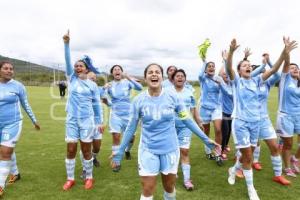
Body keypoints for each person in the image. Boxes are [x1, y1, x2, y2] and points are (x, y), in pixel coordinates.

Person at [111, 63, 219, 200]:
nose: (154, 74)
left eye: (157, 72)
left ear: (162, 78)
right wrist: (120, 151)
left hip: (170, 150)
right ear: (145, 78)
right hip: (148, 150)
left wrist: (206, 140)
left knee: (169, 188)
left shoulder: (173, 97)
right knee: (147, 189)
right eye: (150, 72)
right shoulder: (138, 101)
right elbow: (131, 128)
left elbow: (187, 120)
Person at [226, 38, 296, 200]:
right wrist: (231, 52)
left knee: (246, 156)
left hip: (256, 123)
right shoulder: (237, 82)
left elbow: (274, 71)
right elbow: (229, 68)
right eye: (244, 65)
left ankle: (233, 169)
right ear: (239, 70)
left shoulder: (257, 80)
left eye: (249, 65)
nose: (248, 66)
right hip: (241, 123)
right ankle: (251, 189)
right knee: (249, 156)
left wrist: (284, 53)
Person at [62, 30, 104, 190]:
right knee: (71, 149)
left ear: (86, 69)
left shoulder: (93, 85)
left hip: (87, 121)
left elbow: (96, 105)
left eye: (81, 66)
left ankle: (89, 177)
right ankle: (70, 179)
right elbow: (67, 61)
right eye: (76, 66)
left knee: (87, 150)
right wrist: (66, 44)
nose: (78, 67)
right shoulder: (71, 78)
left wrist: (99, 121)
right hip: (72, 120)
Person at [0, 61, 40, 196]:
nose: (9, 71)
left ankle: (0, 185)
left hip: (13, 123)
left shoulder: (18, 86)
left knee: (5, 152)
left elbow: (25, 104)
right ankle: (15, 173)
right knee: (7, 149)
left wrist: (34, 120)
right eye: (5, 68)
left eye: (11, 69)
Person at [170, 69, 204, 190]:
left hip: (186, 126)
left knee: (184, 151)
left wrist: (198, 121)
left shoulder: (189, 92)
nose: (180, 78)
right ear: (173, 79)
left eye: (182, 76)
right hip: (170, 126)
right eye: (177, 76)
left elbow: (193, 110)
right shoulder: (167, 92)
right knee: (172, 151)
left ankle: (187, 180)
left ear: (185, 79)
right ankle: (172, 173)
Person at [106, 65, 143, 166]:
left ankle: (127, 150)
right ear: (112, 73)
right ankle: (116, 161)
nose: (117, 71)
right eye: (115, 70)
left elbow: (140, 88)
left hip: (129, 115)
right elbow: (103, 97)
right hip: (115, 114)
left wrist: (128, 77)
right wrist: (105, 94)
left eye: (119, 69)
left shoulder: (127, 82)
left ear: (121, 72)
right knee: (116, 136)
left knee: (131, 138)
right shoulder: (109, 85)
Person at [277, 43, 300, 177]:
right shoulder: (285, 79)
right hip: (286, 116)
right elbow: (286, 64)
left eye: (296, 67)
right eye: (292, 68)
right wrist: (287, 52)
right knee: (288, 143)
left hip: (299, 115)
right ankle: (287, 168)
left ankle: (295, 159)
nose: (294, 69)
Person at [198, 54, 223, 165]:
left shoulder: (218, 79)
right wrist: (204, 61)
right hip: (204, 109)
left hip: (216, 108)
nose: (211, 67)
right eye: (209, 66)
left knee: (218, 130)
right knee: (206, 131)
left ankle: (218, 154)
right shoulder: (203, 78)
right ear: (206, 69)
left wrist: (220, 84)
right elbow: (200, 74)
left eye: (213, 66)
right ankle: (208, 151)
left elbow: (224, 88)